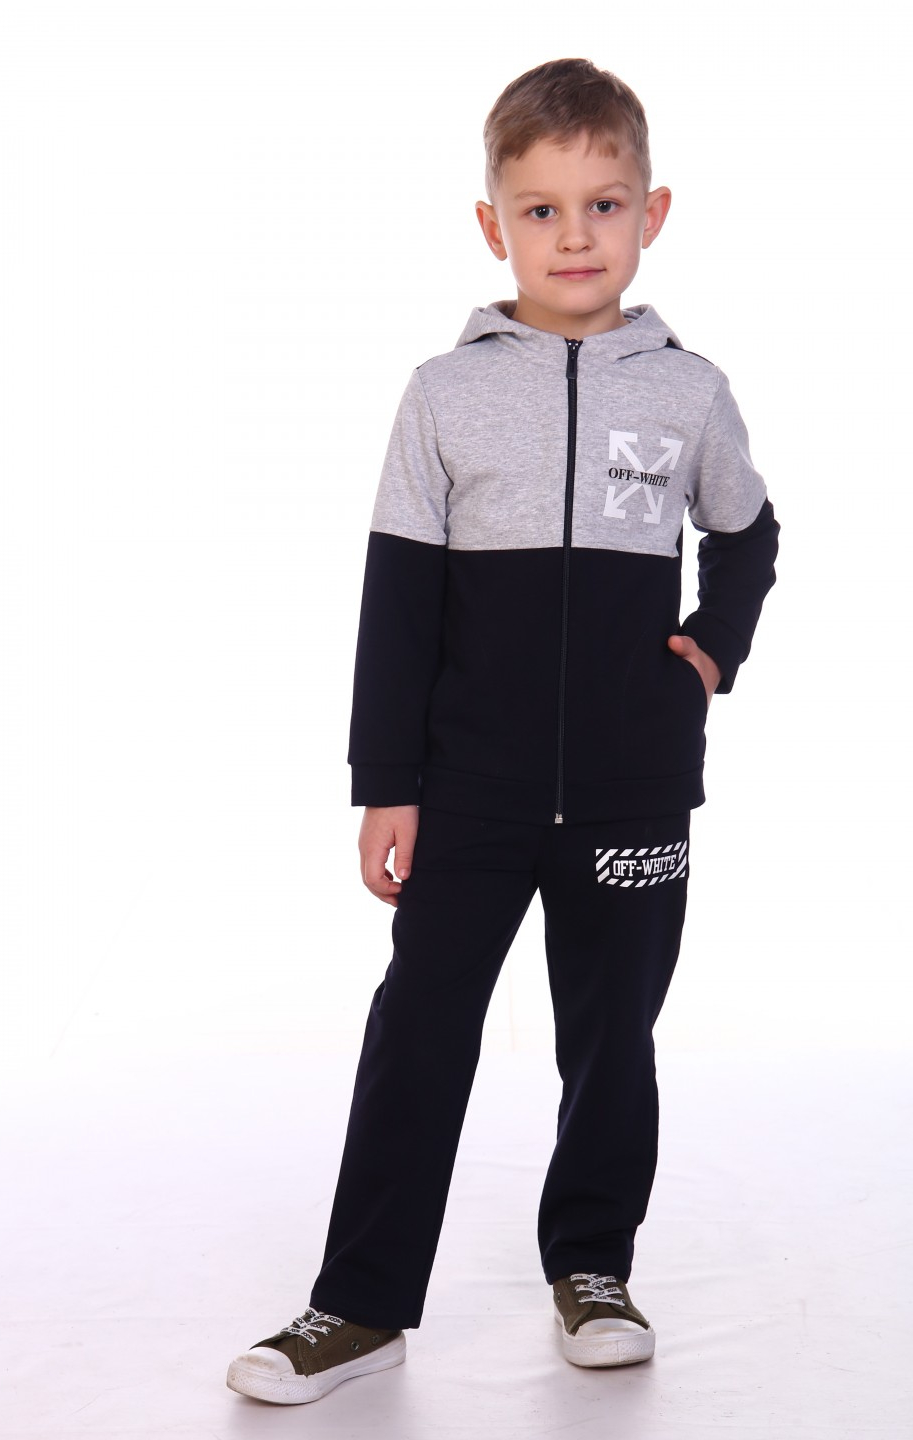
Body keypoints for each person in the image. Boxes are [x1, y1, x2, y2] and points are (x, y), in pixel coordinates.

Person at [226, 56, 779, 1406]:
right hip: (468, 788)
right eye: (540, 210)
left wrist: (713, 648)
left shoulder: (689, 390)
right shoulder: (444, 393)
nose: (574, 235)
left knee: (613, 1038)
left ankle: (593, 1267)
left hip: (634, 787)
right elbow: (399, 603)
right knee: (420, 1030)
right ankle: (360, 1304)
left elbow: (748, 531)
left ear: (652, 213)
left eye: (603, 204)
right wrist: (386, 782)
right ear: (494, 226)